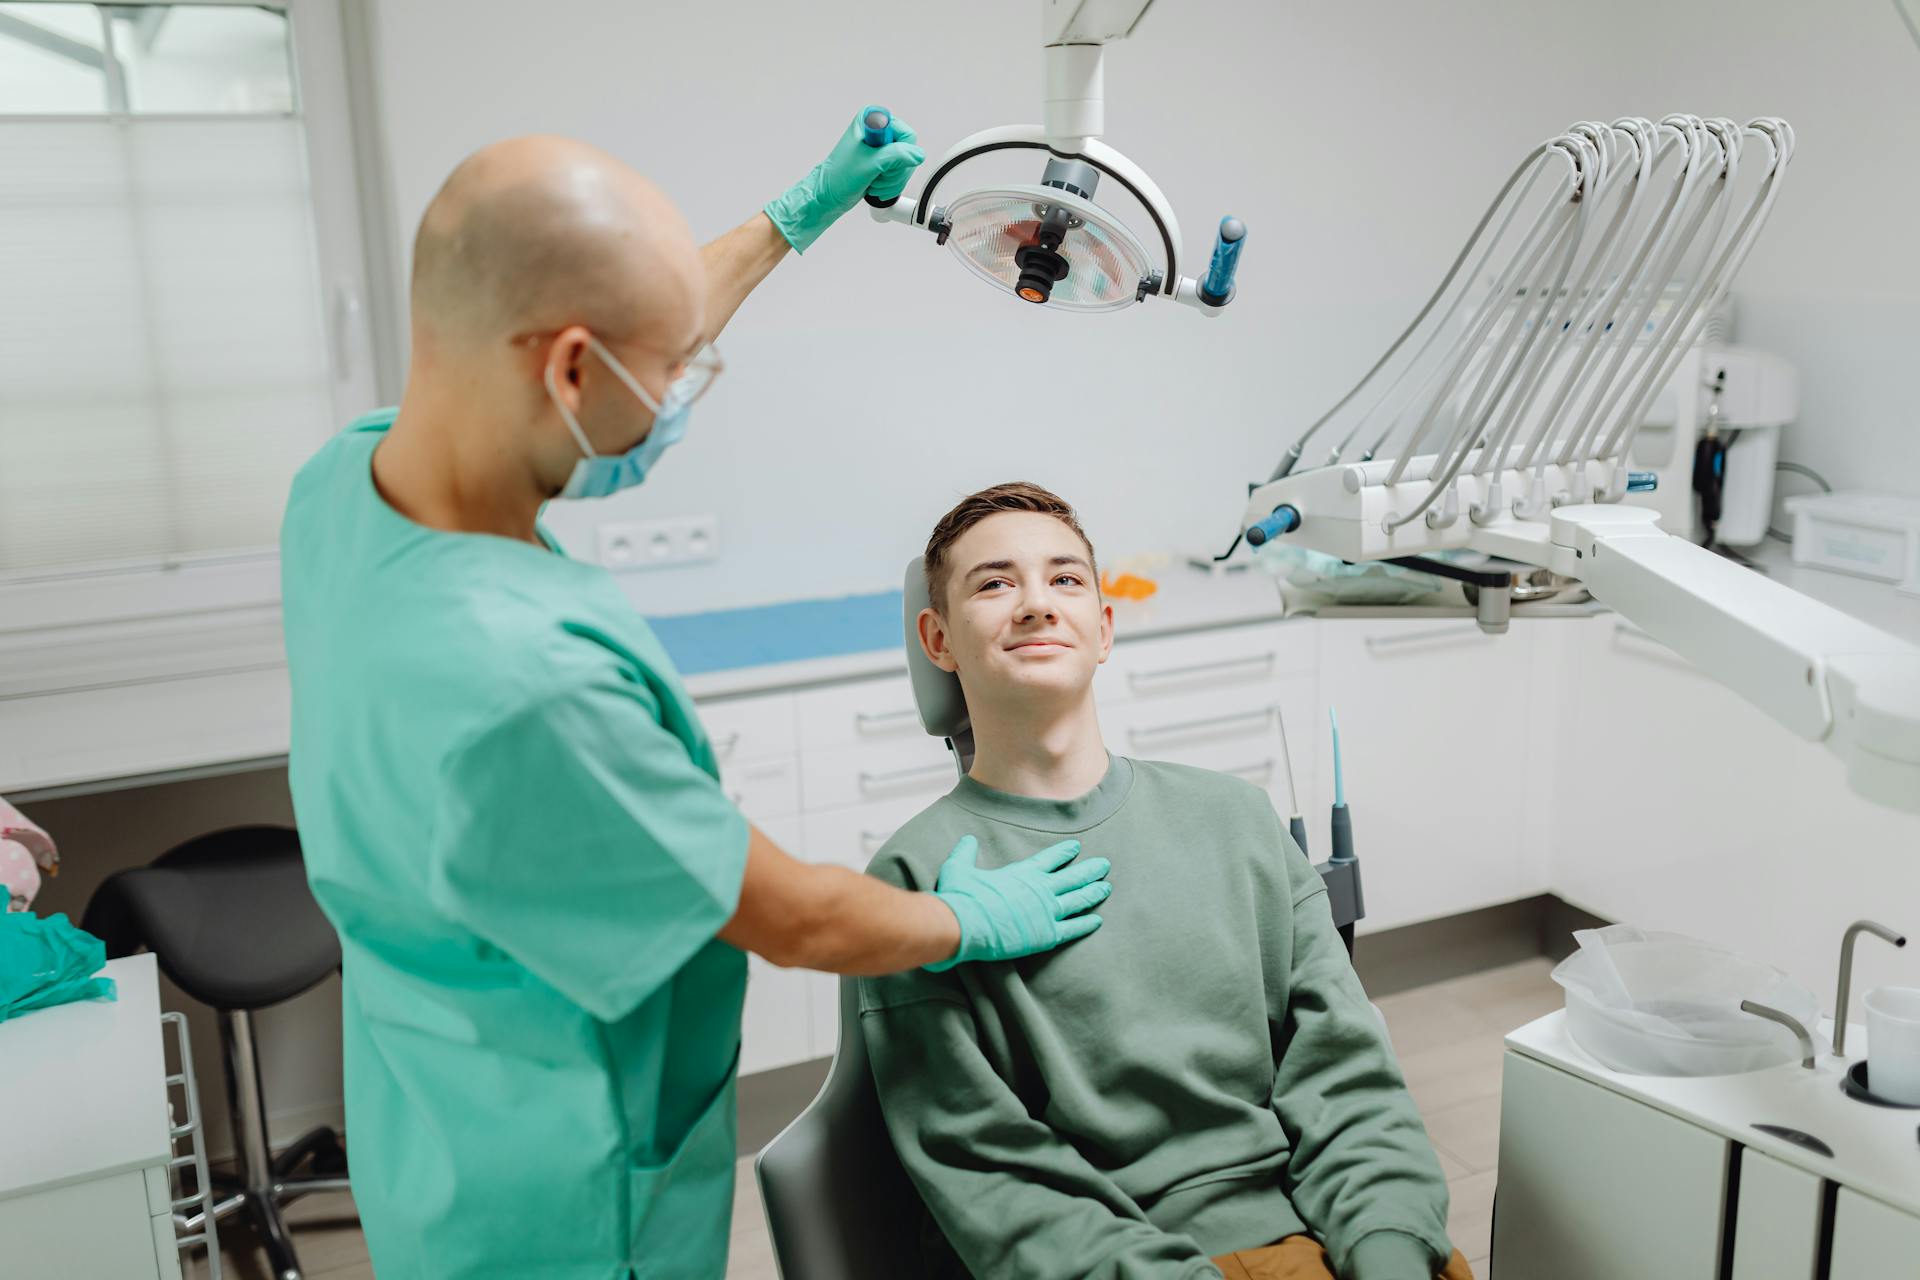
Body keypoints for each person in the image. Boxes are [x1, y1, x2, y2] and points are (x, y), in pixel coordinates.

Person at [279, 118, 1112, 1280]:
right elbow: (799, 918)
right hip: (567, 1204)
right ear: (568, 369)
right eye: (671, 372)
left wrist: (793, 217)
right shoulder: (528, 688)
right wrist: (972, 921)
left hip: (435, 1115)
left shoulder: (342, 489)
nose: (677, 394)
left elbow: (626, 318)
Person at [859, 483, 1473, 1280]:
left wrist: (1387, 1244)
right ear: (938, 640)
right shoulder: (914, 888)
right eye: (995, 582)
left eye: (1066, 579)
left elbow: (1349, 1078)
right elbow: (987, 1171)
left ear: (1104, 627)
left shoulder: (1237, 820)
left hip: (1334, 1236)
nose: (1037, 604)